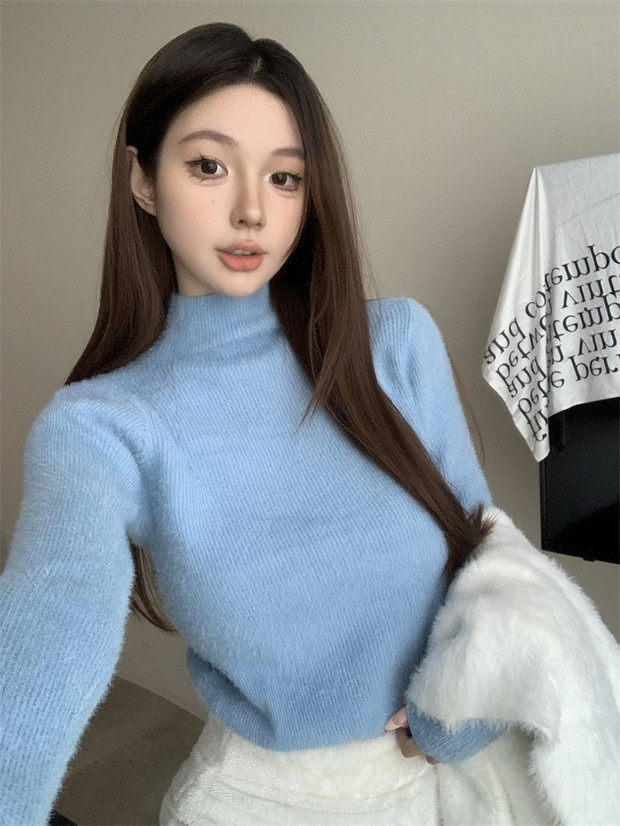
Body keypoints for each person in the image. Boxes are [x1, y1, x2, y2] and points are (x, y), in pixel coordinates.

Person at [0, 22, 555, 826]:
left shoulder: (395, 344)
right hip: (272, 800)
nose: (252, 210)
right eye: (209, 166)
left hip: (469, 782)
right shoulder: (100, 429)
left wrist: (462, 713)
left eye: (285, 177)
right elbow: (45, 647)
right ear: (143, 181)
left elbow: (487, 555)